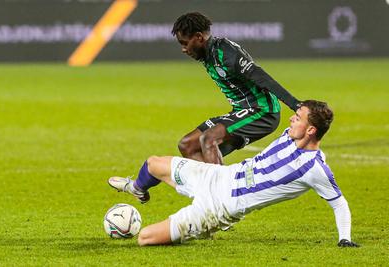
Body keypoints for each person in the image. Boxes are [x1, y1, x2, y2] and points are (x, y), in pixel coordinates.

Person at [108, 100, 359, 247]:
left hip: (219, 208)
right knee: (153, 164)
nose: (291, 119)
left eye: (298, 117)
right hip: (218, 176)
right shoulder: (289, 136)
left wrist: (344, 239)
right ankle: (137, 189)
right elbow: (297, 114)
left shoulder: (315, 169)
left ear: (311, 130)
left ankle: (198, 229)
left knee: (144, 237)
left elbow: (340, 204)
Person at [171, 12, 301, 164]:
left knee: (208, 139)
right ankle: (211, 185)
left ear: (199, 37)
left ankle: (221, 186)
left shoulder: (226, 52)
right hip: (241, 111)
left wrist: (295, 104)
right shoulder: (208, 53)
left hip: (262, 111)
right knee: (187, 145)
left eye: (185, 43)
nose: (184, 49)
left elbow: (260, 76)